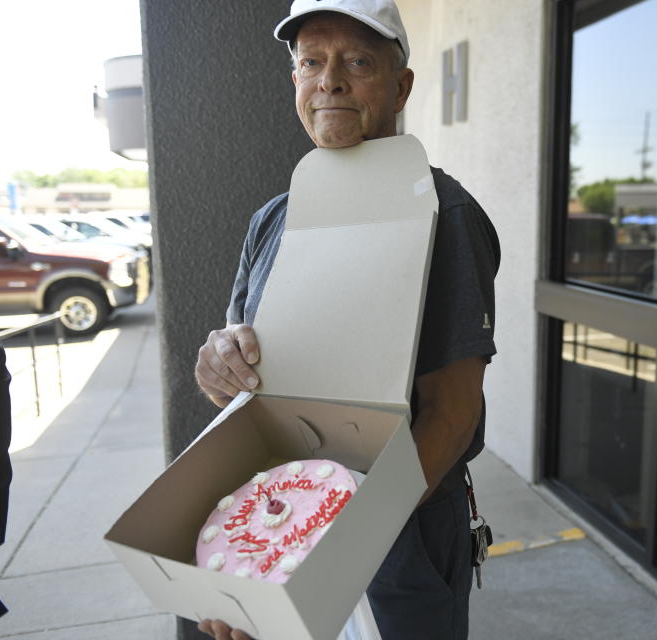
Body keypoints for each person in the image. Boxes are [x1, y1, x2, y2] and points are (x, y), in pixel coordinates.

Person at [193, 1, 499, 638]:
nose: (329, 80)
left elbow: (451, 415)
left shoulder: (446, 213)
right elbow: (237, 381)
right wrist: (217, 361)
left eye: (358, 61)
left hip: (402, 530)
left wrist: (322, 560)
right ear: (296, 82)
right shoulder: (275, 215)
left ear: (401, 86)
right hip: (287, 512)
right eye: (311, 62)